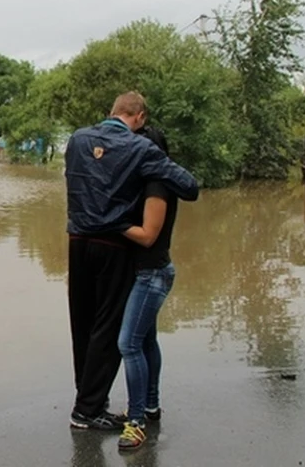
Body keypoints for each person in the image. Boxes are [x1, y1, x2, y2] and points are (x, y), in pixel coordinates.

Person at [65, 92, 198, 431]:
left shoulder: (78, 139)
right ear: (139, 116)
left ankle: (88, 395)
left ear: (112, 111)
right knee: (107, 328)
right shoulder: (141, 148)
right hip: (113, 245)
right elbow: (189, 186)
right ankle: (87, 410)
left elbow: (81, 182)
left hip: (77, 242)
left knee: (82, 322)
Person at [116, 125, 179, 451]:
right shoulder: (147, 181)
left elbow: (148, 236)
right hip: (146, 272)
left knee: (128, 344)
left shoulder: (158, 185)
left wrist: (114, 221)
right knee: (146, 340)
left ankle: (136, 421)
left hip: (152, 275)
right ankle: (150, 405)